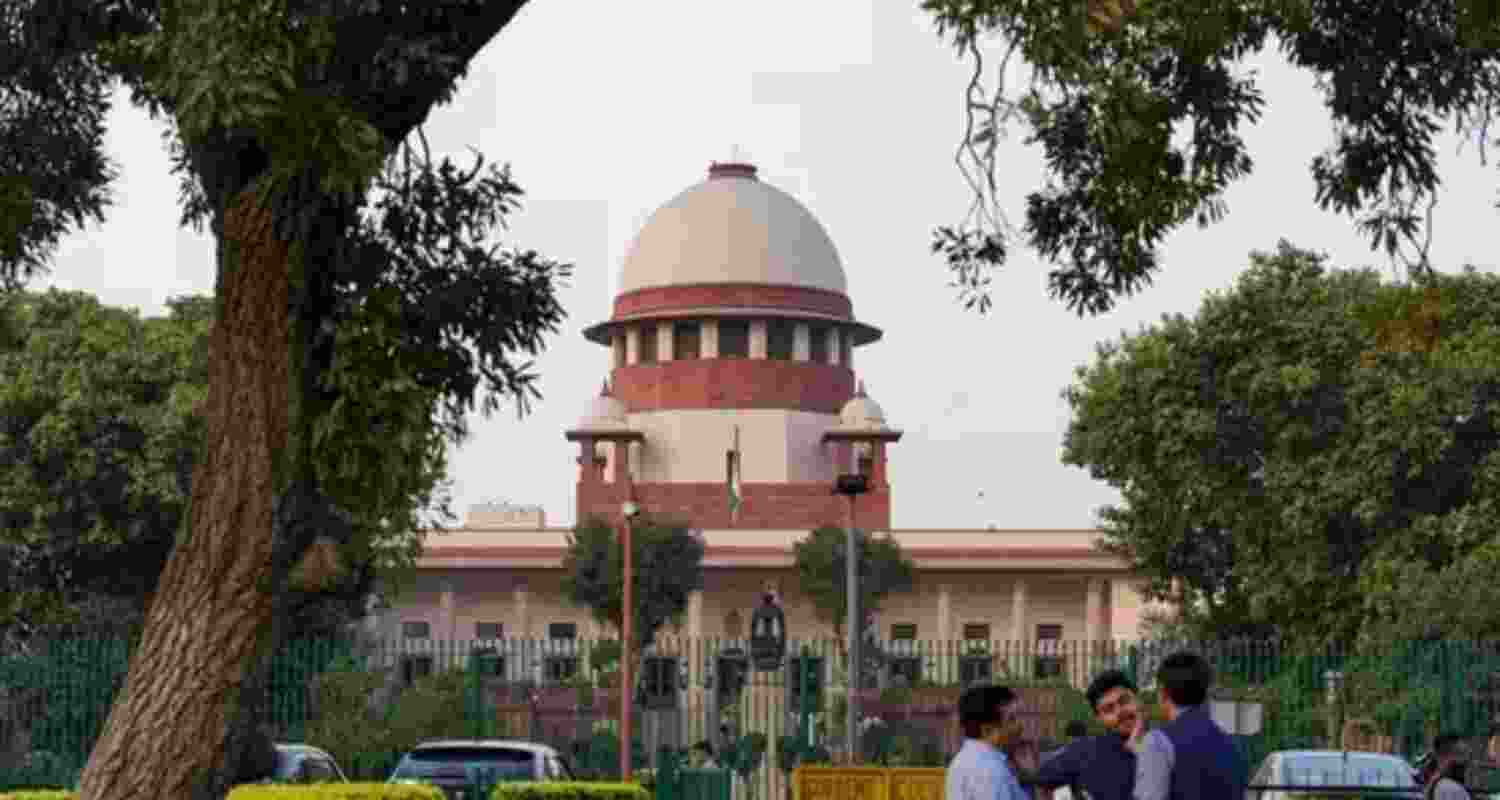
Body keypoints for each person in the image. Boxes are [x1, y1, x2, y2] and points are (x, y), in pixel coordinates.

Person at [1131, 651, 1247, 800]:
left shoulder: (1157, 742)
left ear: (1163, 693)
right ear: (1205, 693)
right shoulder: (1231, 742)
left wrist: (1146, 753)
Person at [1036, 669, 1142, 800]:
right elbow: (1042, 782)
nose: (1120, 712)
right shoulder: (1085, 752)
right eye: (1109, 709)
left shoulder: (1168, 743)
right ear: (1099, 718)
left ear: (1137, 699)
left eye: (1124, 701)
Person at [946, 684, 1030, 800]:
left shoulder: (963, 760)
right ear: (987, 730)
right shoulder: (991, 771)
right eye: (1012, 719)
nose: (1020, 726)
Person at [1425, 734, 1472, 800]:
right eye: (1461, 754)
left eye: (1467, 755)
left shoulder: (1435, 783)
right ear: (1444, 757)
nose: (1466, 760)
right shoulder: (1451, 788)